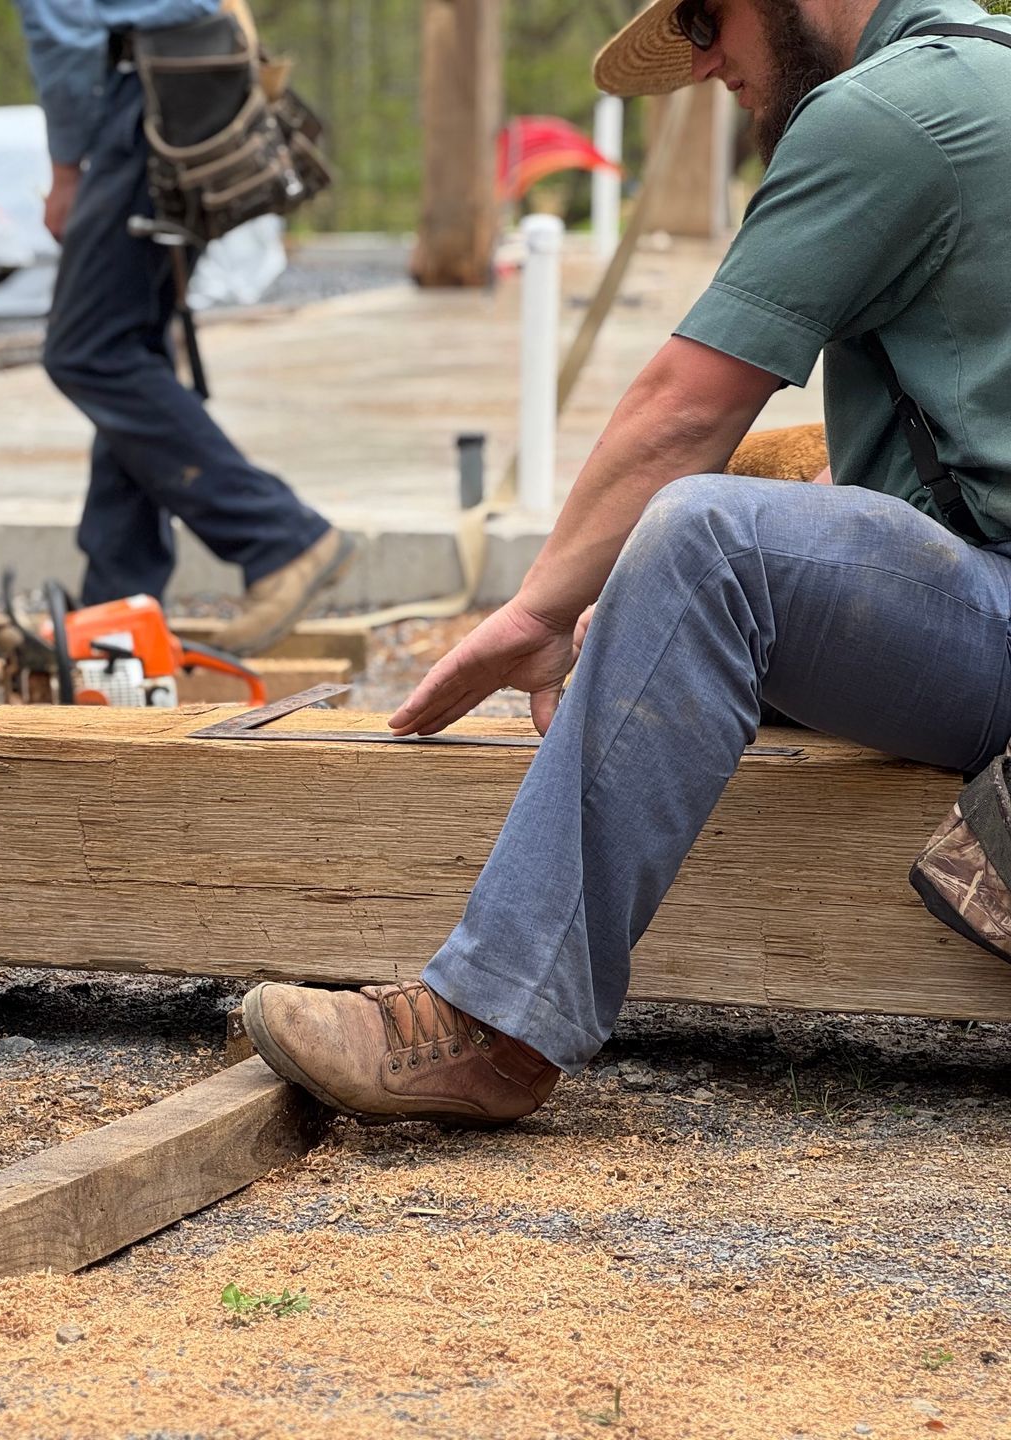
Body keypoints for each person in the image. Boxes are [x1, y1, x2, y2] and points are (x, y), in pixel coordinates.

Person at [244, 0, 1011, 1123]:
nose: (701, 63)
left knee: (709, 533)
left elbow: (678, 413)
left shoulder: (878, 117)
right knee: (724, 536)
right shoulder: (983, 75)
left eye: (708, 15)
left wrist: (541, 609)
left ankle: (495, 1024)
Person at [15, 0, 354, 654]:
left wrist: (65, 168)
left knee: (87, 352)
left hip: (144, 93)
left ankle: (281, 537)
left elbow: (58, 25)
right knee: (127, 344)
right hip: (194, 79)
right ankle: (117, 613)